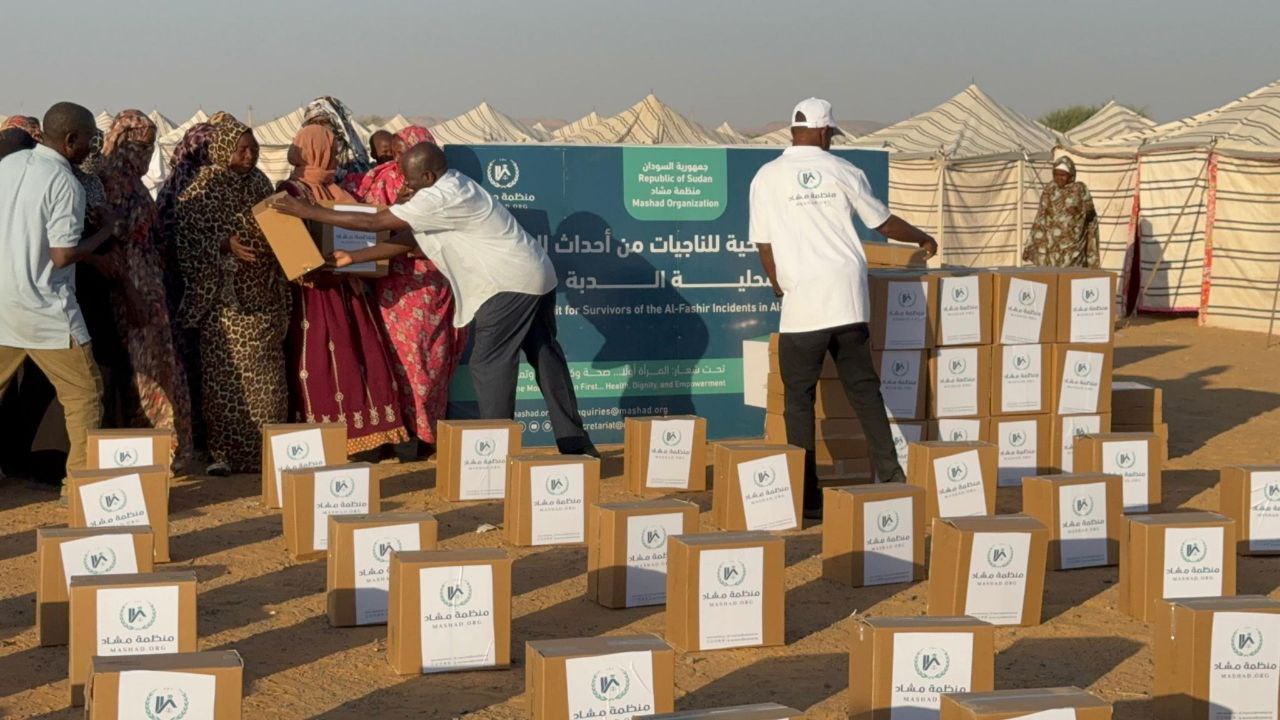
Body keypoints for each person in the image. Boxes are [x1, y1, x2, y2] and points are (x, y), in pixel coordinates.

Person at [270, 142, 599, 457]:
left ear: (428, 176)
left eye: (410, 179)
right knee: (545, 357)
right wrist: (353, 258)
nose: (406, 185)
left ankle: (496, 455)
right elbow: (408, 239)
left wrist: (307, 210)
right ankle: (576, 444)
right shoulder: (456, 184)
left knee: (488, 365)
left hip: (507, 284)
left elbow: (374, 222)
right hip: (536, 273)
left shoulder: (440, 196)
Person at [749, 98, 938, 520]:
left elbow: (764, 246)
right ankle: (891, 477)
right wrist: (923, 238)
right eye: (831, 134)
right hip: (847, 299)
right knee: (865, 392)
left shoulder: (766, 177)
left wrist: (781, 288)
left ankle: (806, 499)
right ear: (821, 132)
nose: (832, 140)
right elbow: (882, 223)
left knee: (799, 400)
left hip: (802, 305)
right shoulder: (844, 171)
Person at [277, 124, 408, 455]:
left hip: (348, 284)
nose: (335, 157)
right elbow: (289, 243)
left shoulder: (338, 191)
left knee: (358, 355)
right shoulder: (289, 191)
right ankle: (327, 440)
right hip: (314, 292)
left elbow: (366, 226)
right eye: (329, 151)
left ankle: (371, 438)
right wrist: (320, 268)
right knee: (321, 361)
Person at [0, 102, 114, 482]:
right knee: (84, 396)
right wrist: (106, 231)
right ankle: (80, 489)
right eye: (89, 139)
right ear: (70, 139)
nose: (92, 147)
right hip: (45, 312)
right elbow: (63, 255)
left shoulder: (8, 166)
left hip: (2, 307)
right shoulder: (66, 183)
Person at [174, 114, 289, 475]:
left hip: (262, 297)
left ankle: (266, 454)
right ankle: (223, 454)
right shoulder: (201, 187)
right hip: (223, 304)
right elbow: (185, 241)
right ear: (223, 149)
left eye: (253, 149)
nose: (249, 156)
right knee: (226, 381)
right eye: (241, 149)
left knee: (268, 384)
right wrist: (223, 244)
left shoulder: (260, 183)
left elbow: (280, 228)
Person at [353, 126, 466, 458]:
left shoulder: (445, 187)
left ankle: (428, 432)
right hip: (395, 288)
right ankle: (403, 435)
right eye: (395, 152)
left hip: (433, 284)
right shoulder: (382, 181)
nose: (398, 159)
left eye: (404, 152)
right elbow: (367, 226)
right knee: (400, 360)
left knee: (431, 362)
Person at [97, 110, 194, 466]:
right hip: (129, 287)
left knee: (160, 364)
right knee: (141, 369)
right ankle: (145, 450)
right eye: (139, 146)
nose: (145, 153)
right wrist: (131, 292)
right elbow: (114, 244)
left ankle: (163, 448)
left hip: (149, 285)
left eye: (149, 147)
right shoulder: (111, 182)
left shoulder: (134, 183)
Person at [154, 119, 219, 456]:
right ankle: (200, 436)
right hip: (189, 287)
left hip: (181, 288)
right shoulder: (195, 186)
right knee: (197, 363)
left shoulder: (170, 186)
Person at [1024, 156, 1100, 268]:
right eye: (1056, 174)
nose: (1059, 178)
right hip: (1052, 244)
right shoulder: (1050, 189)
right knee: (1053, 274)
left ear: (1071, 175)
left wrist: (1079, 212)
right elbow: (1041, 214)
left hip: (1074, 245)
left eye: (1063, 175)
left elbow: (1091, 214)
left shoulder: (1079, 188)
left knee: (1072, 274)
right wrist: (1033, 243)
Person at [302, 96, 371, 188]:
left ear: (338, 124)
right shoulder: (302, 164)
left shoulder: (358, 165)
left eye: (323, 122)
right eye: (313, 123)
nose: (318, 128)